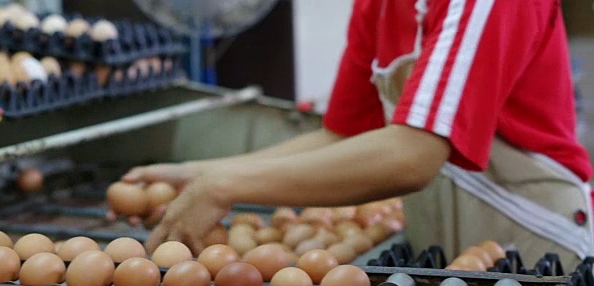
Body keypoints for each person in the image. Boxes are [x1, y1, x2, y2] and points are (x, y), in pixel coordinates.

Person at [113, 0, 594, 270]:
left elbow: (414, 154)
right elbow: (343, 136)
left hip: (537, 247)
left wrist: (225, 189)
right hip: (452, 255)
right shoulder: (380, 6)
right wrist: (200, 173)